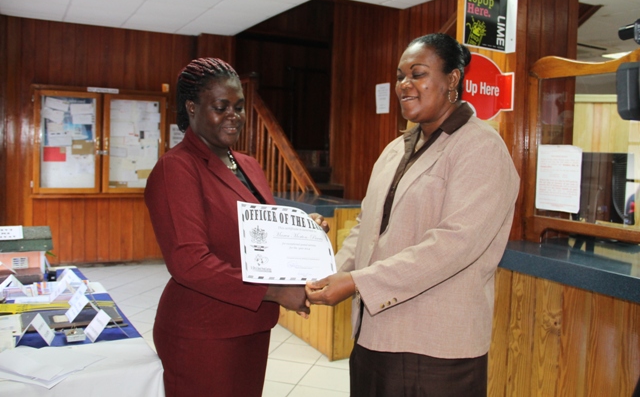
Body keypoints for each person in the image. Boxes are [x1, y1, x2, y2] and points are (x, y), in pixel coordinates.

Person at [306, 33, 520, 396]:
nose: (404, 85)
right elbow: (367, 226)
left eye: (417, 74)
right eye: (400, 75)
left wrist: (359, 282)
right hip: (374, 338)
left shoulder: (481, 148)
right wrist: (331, 274)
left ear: (452, 79)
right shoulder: (396, 149)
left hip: (436, 351)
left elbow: (452, 245)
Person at [144, 57, 325, 397]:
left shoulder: (249, 165)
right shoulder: (176, 169)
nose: (234, 116)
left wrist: (303, 230)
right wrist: (275, 292)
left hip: (252, 324)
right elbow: (189, 262)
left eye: (239, 107)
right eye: (221, 106)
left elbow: (260, 234)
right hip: (203, 331)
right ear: (192, 107)